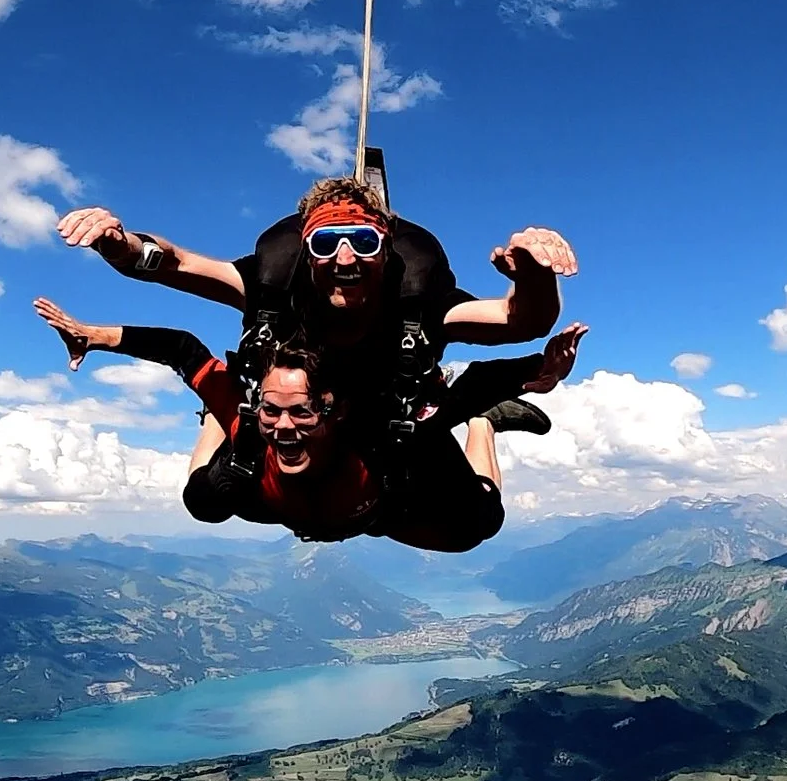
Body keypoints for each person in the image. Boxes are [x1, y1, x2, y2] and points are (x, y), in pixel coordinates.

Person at [54, 177, 577, 473]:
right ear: (305, 252)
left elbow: (518, 320)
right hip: (303, 424)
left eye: (363, 242)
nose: (344, 256)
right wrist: (120, 246)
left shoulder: (419, 303)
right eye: (325, 243)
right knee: (207, 501)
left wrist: (534, 275)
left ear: (386, 251)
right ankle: (221, 412)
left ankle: (483, 417)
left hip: (387, 424)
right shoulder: (271, 289)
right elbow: (174, 264)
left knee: (472, 526)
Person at [33, 297, 586, 550]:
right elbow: (182, 349)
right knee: (204, 500)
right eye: (273, 410)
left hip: (382, 507)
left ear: (333, 409)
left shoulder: (372, 430)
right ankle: (213, 421)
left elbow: (470, 389)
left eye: (301, 412)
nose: (284, 426)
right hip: (289, 506)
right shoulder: (254, 429)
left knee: (477, 525)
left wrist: (540, 371)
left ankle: (487, 429)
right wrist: (95, 335)